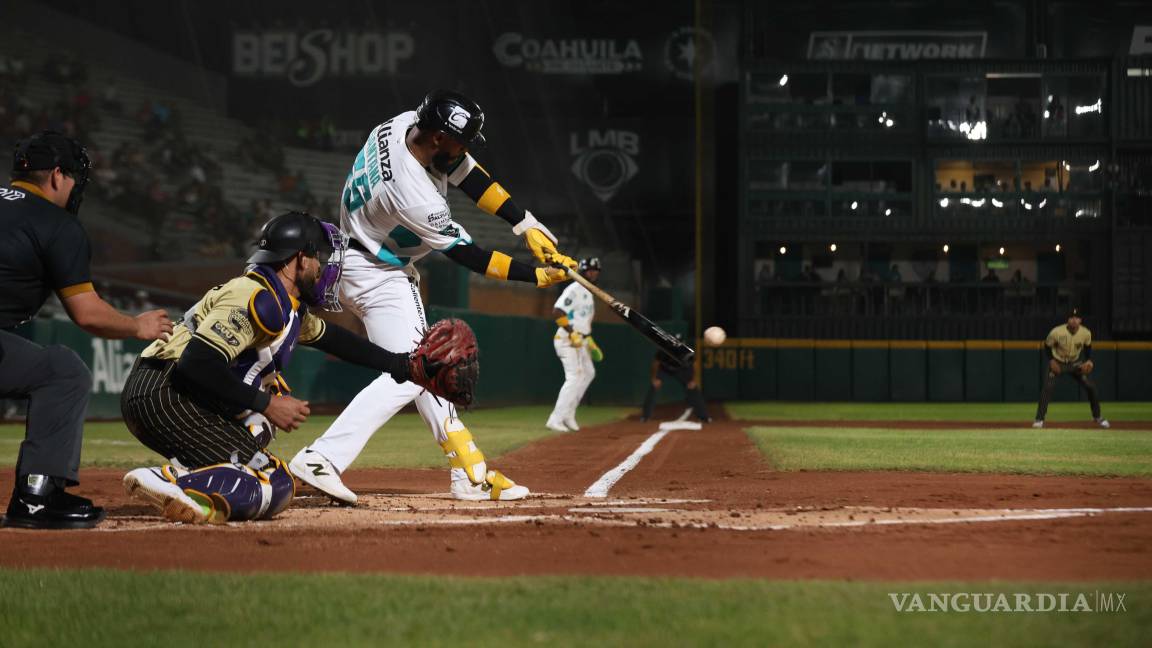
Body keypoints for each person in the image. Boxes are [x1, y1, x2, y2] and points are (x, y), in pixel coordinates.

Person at [289, 90, 576, 504]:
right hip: (376, 273)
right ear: (440, 137)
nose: (464, 148)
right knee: (414, 372)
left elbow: (468, 173)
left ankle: (469, 472)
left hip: (359, 257)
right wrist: (537, 276)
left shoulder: (406, 122)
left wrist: (523, 224)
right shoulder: (415, 195)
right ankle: (321, 459)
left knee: (429, 369)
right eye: (460, 140)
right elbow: (469, 256)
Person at [119, 212, 458, 524]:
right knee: (271, 478)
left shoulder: (285, 304)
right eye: (318, 259)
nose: (324, 268)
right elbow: (197, 361)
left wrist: (405, 365)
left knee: (268, 434)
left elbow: (336, 340)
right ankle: (169, 479)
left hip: (171, 391)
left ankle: (193, 471)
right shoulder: (257, 296)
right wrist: (267, 404)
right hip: (162, 391)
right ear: (299, 259)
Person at [0, 131, 173, 529]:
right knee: (63, 371)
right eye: (75, 179)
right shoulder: (57, 225)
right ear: (58, 176)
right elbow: (87, 314)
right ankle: (36, 498)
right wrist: (137, 324)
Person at [546, 257, 602, 432]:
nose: (593, 273)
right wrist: (572, 333)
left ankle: (569, 414)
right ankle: (555, 419)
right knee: (575, 376)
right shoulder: (575, 289)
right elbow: (557, 312)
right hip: (567, 339)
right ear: (582, 271)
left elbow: (582, 319)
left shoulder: (589, 291)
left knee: (589, 372)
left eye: (595, 270)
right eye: (589, 270)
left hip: (581, 340)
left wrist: (588, 339)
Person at [1033, 308, 1108, 429]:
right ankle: (1039, 419)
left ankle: (1097, 417)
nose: (1074, 320)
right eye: (1071, 318)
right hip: (1058, 363)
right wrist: (1051, 360)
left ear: (1080, 320)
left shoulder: (1086, 333)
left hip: (1075, 364)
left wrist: (1089, 360)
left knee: (1090, 386)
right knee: (1048, 387)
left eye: (1076, 318)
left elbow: (1088, 347)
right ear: (1067, 320)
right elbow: (1047, 346)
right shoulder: (1057, 332)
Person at [640, 339, 711, 424]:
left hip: (682, 370)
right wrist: (654, 378)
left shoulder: (687, 352)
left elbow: (695, 365)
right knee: (654, 385)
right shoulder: (663, 350)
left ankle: (704, 417)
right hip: (665, 369)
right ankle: (645, 417)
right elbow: (655, 364)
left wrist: (693, 380)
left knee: (693, 387)